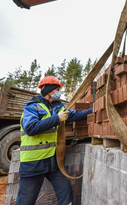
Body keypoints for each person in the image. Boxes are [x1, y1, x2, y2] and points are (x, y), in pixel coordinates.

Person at [16, 76, 92, 205]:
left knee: (66, 193)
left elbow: (76, 115)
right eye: (56, 89)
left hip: (53, 162)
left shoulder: (58, 107)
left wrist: (93, 110)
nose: (59, 93)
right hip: (33, 163)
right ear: (48, 90)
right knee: (26, 200)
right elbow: (30, 128)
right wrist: (57, 119)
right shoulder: (31, 107)